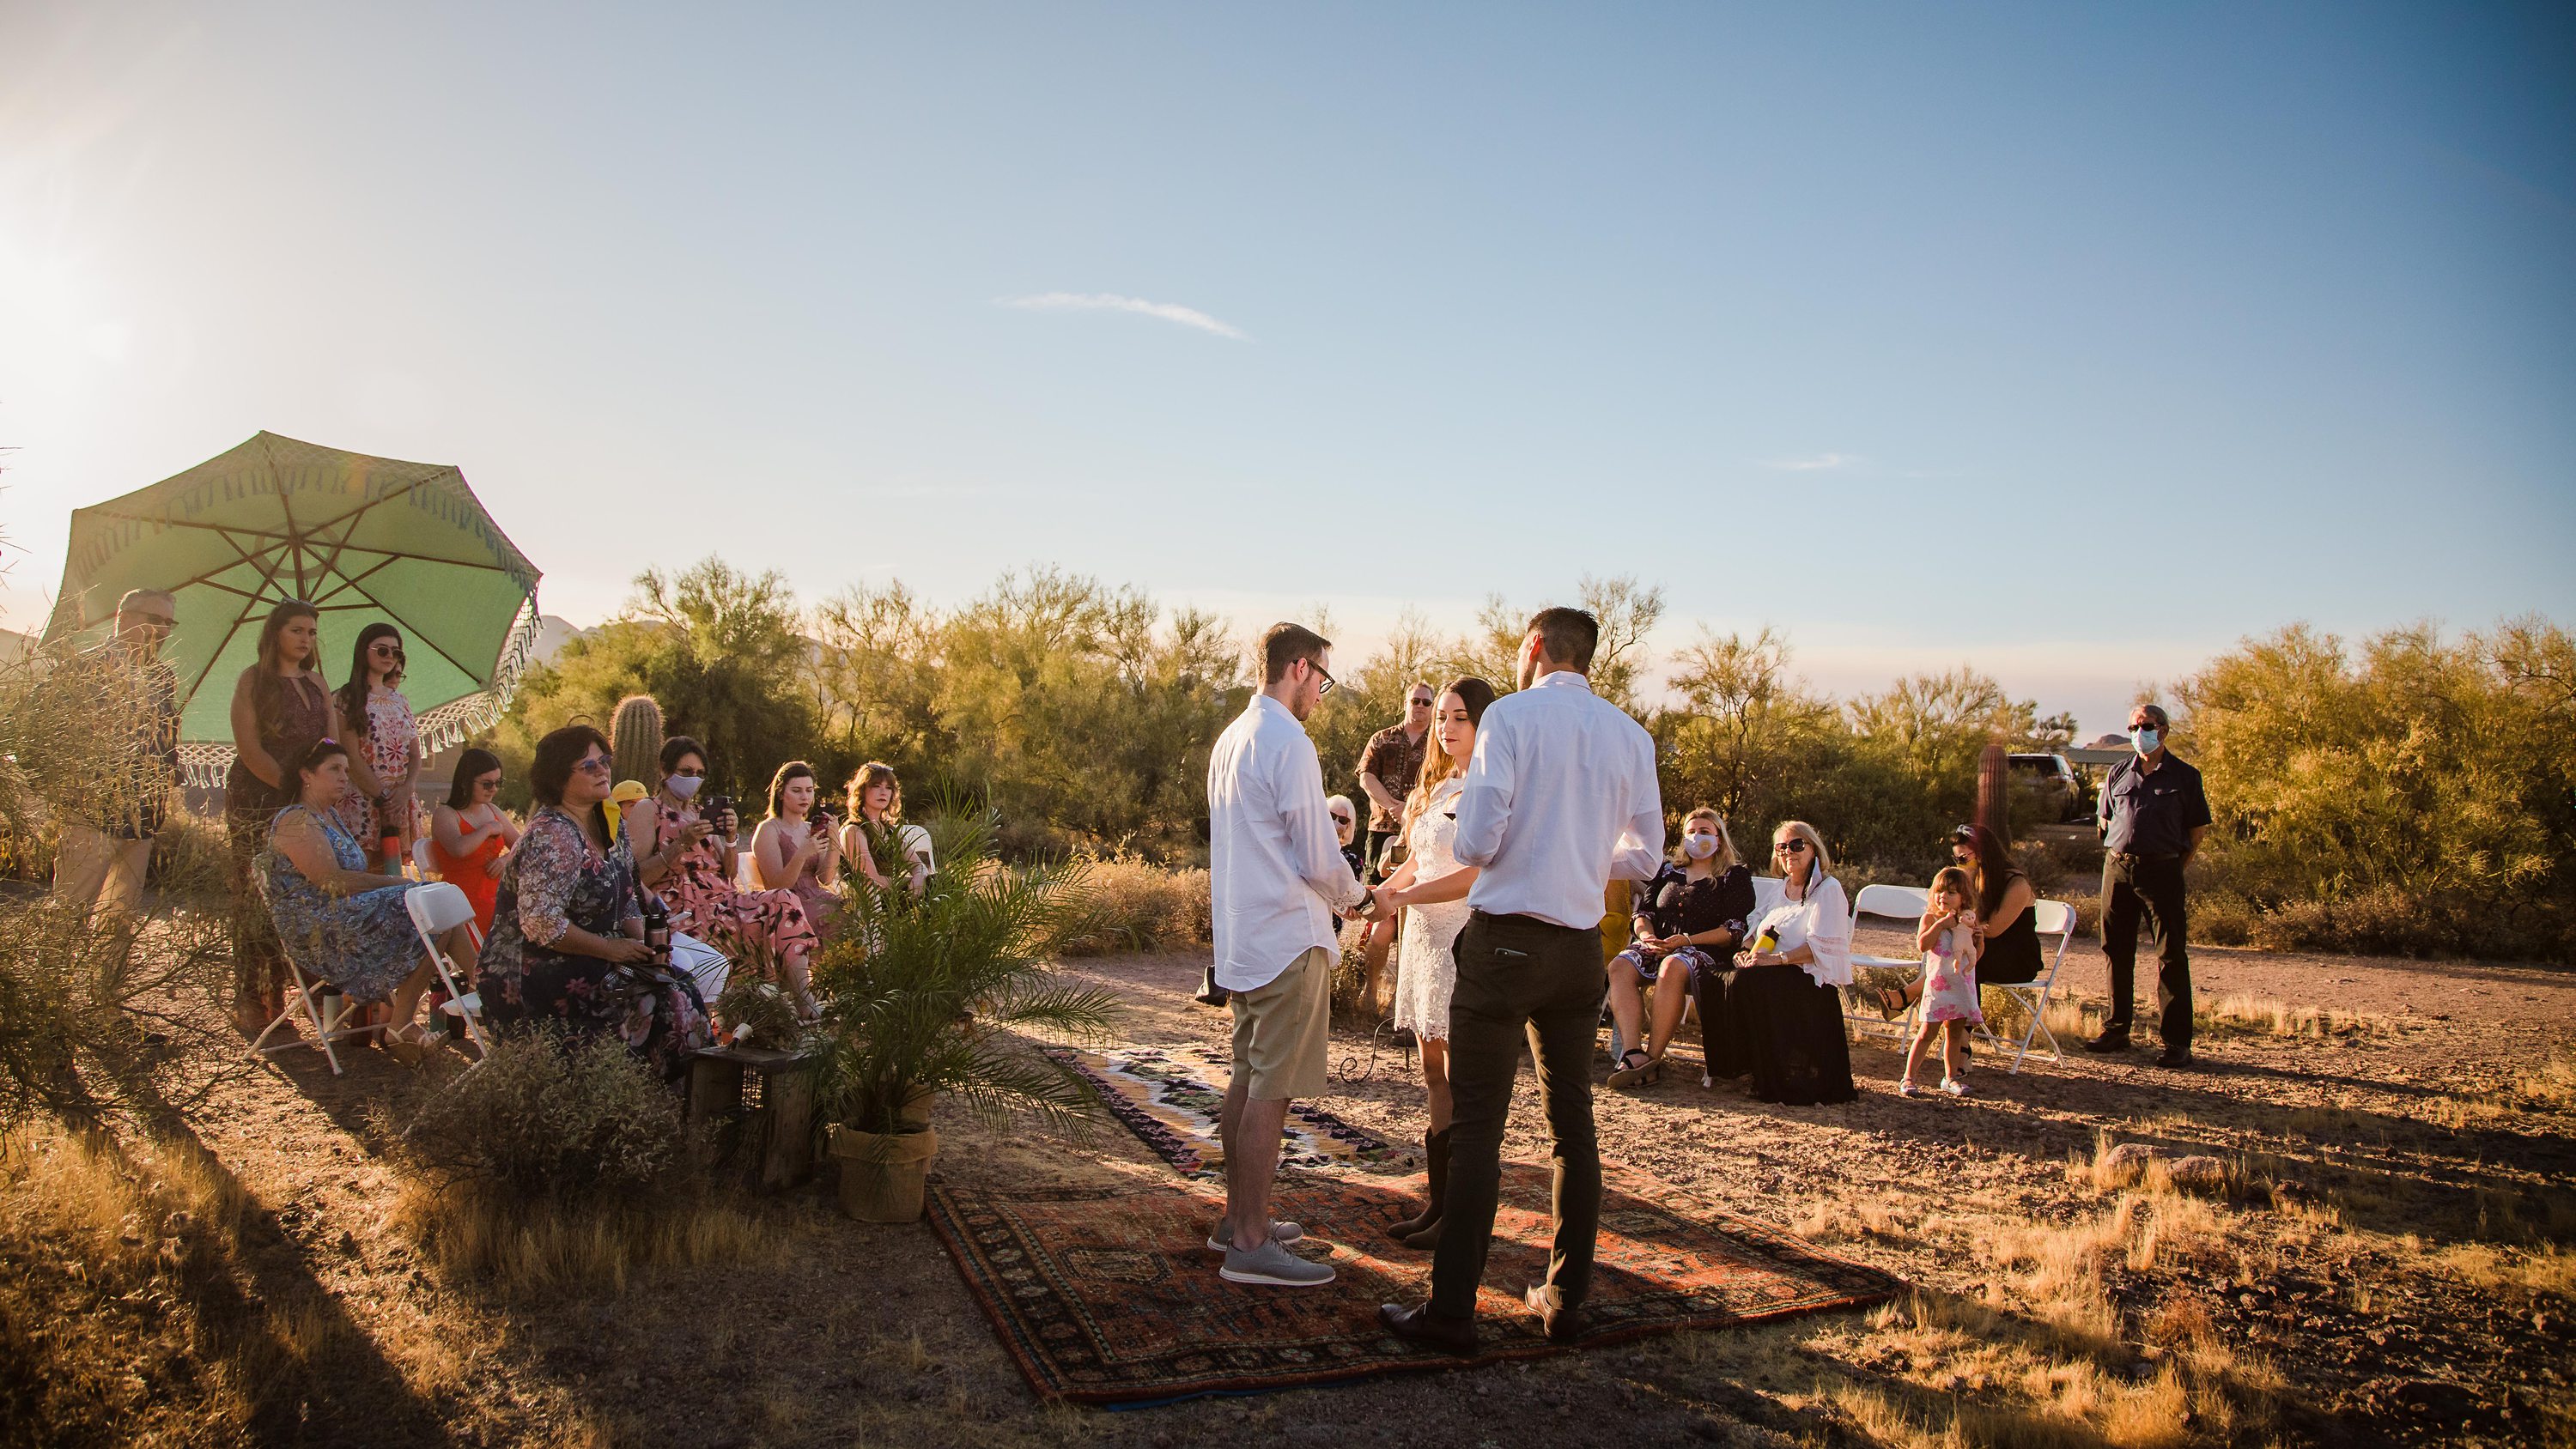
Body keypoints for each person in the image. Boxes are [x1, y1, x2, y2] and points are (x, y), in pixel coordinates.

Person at [1376, 608, 1662, 1354]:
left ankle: (1451, 1314)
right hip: (1575, 948)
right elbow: (1650, 853)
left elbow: (1478, 839)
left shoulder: (1510, 717)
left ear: (1534, 648)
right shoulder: (1630, 735)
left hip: (1503, 946)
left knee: (1478, 1131)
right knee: (1573, 1129)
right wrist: (1579, 855)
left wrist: (1532, 847)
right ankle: (1565, 1301)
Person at [1205, 622, 1368, 1288]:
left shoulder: (1231, 738)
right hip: (1286, 934)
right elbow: (1315, 852)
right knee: (1270, 1090)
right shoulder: (1287, 740)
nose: (1323, 694)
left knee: (1247, 1079)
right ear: (1299, 668)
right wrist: (1357, 897)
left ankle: (1235, 1220)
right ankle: (1248, 1242)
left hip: (1244, 935)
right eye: (1323, 679)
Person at [482, 725, 709, 1075]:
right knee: (658, 1001)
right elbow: (541, 924)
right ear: (558, 777)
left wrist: (647, 945)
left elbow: (627, 897)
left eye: (604, 760)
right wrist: (611, 950)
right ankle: (639, 1103)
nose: (603, 769)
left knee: (678, 983)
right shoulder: (552, 834)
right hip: (535, 969)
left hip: (591, 955)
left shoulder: (608, 821)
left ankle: (673, 1104)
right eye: (588, 766)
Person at [1370, 676, 1497, 1250]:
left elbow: (1474, 873)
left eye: (1460, 717)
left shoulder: (1490, 789)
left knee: (1462, 1079)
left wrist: (1404, 899)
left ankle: (1461, 1212)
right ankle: (1438, 1202)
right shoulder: (1441, 785)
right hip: (1421, 939)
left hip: (1459, 940)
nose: (1446, 727)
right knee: (1430, 1072)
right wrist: (1374, 894)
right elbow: (1418, 861)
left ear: (1484, 723)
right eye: (1441, 716)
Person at [258, 739, 476, 1064]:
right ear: (306, 775)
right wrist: (399, 884)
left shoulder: (330, 816)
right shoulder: (295, 820)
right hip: (321, 930)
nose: (345, 776)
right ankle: (493, 994)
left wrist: (405, 888)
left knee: (436, 907)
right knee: (424, 903)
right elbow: (331, 881)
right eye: (334, 769)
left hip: (348, 916)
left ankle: (482, 988)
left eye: (347, 769)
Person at [225, 600, 351, 1034]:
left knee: (306, 892)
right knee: (258, 893)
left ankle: (308, 992)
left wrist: (320, 790)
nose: (306, 639)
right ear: (275, 632)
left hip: (306, 800)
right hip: (258, 798)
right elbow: (248, 747)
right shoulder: (253, 681)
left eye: (312, 632)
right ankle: (256, 994)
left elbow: (331, 745)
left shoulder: (317, 682)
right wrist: (290, 791)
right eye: (297, 630)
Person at [631, 737, 821, 1020]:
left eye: (699, 774)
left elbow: (729, 873)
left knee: (784, 900)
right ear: (664, 770)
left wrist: (731, 840)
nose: (693, 779)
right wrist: (680, 844)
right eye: (685, 772)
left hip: (723, 901)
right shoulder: (649, 809)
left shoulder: (699, 812)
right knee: (754, 919)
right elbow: (637, 876)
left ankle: (804, 1003)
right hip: (681, 908)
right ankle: (753, 1015)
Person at [46, 589, 180, 923]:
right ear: (124, 619)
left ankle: (108, 978)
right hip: (90, 814)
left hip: (141, 817)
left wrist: (165, 786)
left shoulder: (163, 676)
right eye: (154, 620)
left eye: (168, 622)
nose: (162, 630)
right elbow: (51, 733)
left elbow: (166, 739)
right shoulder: (87, 666)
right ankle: (55, 977)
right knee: (69, 912)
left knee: (119, 922)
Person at [2091, 703, 2210, 1068]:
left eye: (2146, 726)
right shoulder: (2117, 773)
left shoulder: (2185, 776)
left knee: (2171, 954)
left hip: (2162, 872)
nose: (2138, 732)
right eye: (2132, 727)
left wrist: (2172, 865)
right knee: (2115, 949)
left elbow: (2197, 832)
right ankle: (2117, 1028)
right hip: (2118, 869)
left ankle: (2176, 1042)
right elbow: (2104, 820)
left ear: (2164, 730)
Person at [1606, 809, 1755, 1088]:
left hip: (1704, 951)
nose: (1696, 837)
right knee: (1620, 965)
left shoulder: (1734, 876)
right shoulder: (1667, 871)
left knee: (1672, 966)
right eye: (1691, 831)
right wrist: (1647, 937)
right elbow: (1644, 914)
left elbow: (1733, 931)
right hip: (1660, 944)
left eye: (1705, 832)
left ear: (1719, 839)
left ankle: (1651, 1059)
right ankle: (1633, 1053)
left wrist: (1686, 941)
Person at [1730, 822, 1858, 1106]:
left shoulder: (1828, 888)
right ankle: (1748, 1069)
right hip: (1774, 970)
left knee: (1751, 982)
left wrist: (1775, 960)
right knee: (1728, 979)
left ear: (1813, 849)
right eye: (1781, 847)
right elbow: (1757, 927)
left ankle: (1781, 1078)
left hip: (1807, 978)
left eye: (1797, 845)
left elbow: (1821, 946)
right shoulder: (1780, 889)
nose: (1789, 852)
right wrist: (1745, 950)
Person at [1865, 823, 2042, 1017]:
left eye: (1963, 858)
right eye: (1956, 859)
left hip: (2016, 960)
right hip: (1982, 949)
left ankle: (1905, 997)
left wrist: (1964, 902)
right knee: (1955, 953)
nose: (1960, 864)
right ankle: (1960, 1037)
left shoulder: (2017, 884)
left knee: (1965, 958)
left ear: (1982, 854)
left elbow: (1992, 930)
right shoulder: (1976, 879)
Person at [1354, 682, 1437, 1016]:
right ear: (1406, 703)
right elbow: (1365, 776)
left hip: (1422, 836)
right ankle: (1370, 991)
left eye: (1425, 702)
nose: (1419, 706)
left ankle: (1406, 1003)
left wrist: (1413, 812)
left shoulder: (1438, 743)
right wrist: (1391, 805)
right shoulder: (1383, 738)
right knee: (1381, 911)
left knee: (1412, 916)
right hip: (1382, 832)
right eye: (1414, 700)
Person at [332, 624, 422, 871]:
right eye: (382, 650)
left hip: (400, 799)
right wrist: (383, 797)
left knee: (391, 874)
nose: (390, 657)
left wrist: (407, 789)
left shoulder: (400, 699)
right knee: (363, 871)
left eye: (396, 652)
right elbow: (350, 755)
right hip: (362, 799)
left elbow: (414, 752)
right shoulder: (346, 698)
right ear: (364, 652)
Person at [1899, 866, 1982, 1098]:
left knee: (1955, 1033)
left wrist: (1979, 939)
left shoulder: (1967, 922)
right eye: (1940, 891)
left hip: (1961, 985)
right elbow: (1923, 945)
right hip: (1938, 986)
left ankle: (1950, 1076)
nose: (1943, 897)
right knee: (1927, 1032)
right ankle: (1909, 1077)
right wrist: (1940, 925)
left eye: (1951, 893)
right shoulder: (1930, 918)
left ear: (1963, 897)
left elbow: (1975, 956)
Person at [430, 747, 520, 937]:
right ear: (466, 782)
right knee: (520, 922)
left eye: (498, 783)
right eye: (487, 784)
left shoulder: (492, 810)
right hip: (462, 898)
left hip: (494, 893)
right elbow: (458, 849)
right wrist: (487, 829)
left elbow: (524, 846)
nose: (494, 789)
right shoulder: (446, 814)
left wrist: (505, 861)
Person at [752, 760, 843, 927]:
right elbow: (778, 886)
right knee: (828, 916)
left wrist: (834, 839)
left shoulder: (812, 828)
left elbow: (827, 878)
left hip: (817, 896)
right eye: (796, 791)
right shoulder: (769, 829)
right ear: (780, 793)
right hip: (788, 904)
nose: (805, 797)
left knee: (850, 912)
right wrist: (802, 854)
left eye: (809, 791)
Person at [840, 762, 932, 899]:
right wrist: (908, 883)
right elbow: (871, 879)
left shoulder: (889, 830)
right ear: (862, 790)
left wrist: (918, 879)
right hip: (872, 903)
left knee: (939, 882)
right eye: (876, 786)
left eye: (888, 788)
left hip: (896, 894)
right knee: (933, 885)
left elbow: (919, 866)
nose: (883, 792)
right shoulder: (853, 830)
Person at [1327, 794, 1366, 881]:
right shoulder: (1307, 848)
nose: (1336, 822)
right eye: (1332, 816)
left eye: (1343, 820)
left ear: (1348, 827)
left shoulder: (1352, 861)